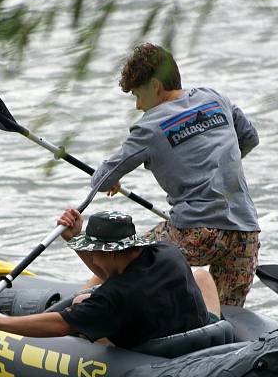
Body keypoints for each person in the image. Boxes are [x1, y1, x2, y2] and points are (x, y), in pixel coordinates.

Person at [91, 42, 261, 307]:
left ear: (156, 86)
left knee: (123, 256)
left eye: (137, 94)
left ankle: (86, 304)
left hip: (195, 232)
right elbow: (250, 138)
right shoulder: (215, 97)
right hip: (245, 231)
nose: (137, 105)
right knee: (225, 311)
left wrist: (112, 179)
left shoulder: (149, 127)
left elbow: (100, 180)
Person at [0, 209, 221, 348]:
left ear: (110, 253)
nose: (93, 260)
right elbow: (106, 271)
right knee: (201, 275)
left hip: (156, 349)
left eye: (95, 253)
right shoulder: (165, 252)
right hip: (199, 330)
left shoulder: (115, 297)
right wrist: (74, 239)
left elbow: (60, 324)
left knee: (80, 303)